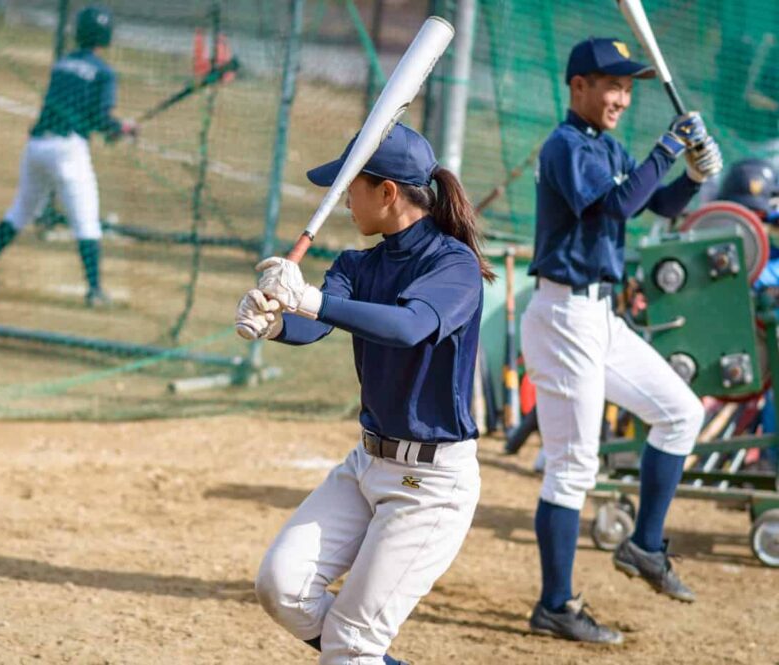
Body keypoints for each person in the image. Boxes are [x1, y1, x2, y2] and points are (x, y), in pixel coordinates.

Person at [234, 123, 495, 664]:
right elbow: (316, 323)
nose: (343, 200)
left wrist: (305, 299)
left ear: (387, 192)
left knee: (351, 644)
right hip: (366, 463)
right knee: (281, 587)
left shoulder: (454, 265)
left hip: (432, 484)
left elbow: (408, 326)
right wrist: (276, 322)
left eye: (350, 186)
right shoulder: (359, 264)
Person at [520, 37, 724, 644]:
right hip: (562, 318)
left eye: (628, 87)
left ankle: (644, 546)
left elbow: (648, 202)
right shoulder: (563, 145)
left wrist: (689, 174)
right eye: (611, 85)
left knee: (680, 413)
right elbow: (614, 204)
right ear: (577, 86)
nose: (622, 97)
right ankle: (555, 604)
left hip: (599, 318)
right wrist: (668, 145)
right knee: (573, 466)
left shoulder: (603, 144)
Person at [0, 5, 134, 308]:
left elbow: (76, 108)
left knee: (21, 210)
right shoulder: (104, 73)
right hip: (67, 151)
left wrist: (111, 129)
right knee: (86, 220)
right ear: (106, 36)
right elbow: (99, 117)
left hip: (36, 146)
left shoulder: (62, 64)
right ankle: (95, 290)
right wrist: (121, 128)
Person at [718, 158, 779, 470]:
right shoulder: (715, 247)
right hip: (730, 355)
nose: (754, 224)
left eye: (759, 218)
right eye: (746, 217)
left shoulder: (773, 253)